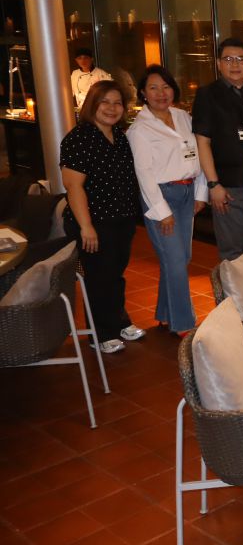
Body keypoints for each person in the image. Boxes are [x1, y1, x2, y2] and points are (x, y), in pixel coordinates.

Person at [60, 80, 143, 353]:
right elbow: (73, 187)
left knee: (115, 274)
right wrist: (86, 226)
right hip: (93, 221)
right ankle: (101, 334)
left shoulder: (119, 135)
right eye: (104, 102)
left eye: (117, 103)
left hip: (121, 219)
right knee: (98, 278)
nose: (111, 108)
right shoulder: (79, 138)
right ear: (92, 105)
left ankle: (119, 321)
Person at [126, 65, 207, 336]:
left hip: (187, 192)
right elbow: (144, 174)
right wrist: (162, 212)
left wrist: (200, 193)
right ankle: (183, 322)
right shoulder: (139, 129)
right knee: (175, 261)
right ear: (143, 93)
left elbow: (197, 155)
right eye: (153, 88)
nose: (161, 93)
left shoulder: (183, 116)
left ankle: (164, 312)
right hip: (161, 196)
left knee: (181, 258)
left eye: (166, 86)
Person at [192, 37, 243, 261]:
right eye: (228, 59)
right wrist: (213, 184)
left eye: (240, 59)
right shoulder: (207, 95)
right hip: (228, 187)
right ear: (218, 63)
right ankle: (233, 287)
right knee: (232, 251)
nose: (235, 64)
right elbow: (203, 142)